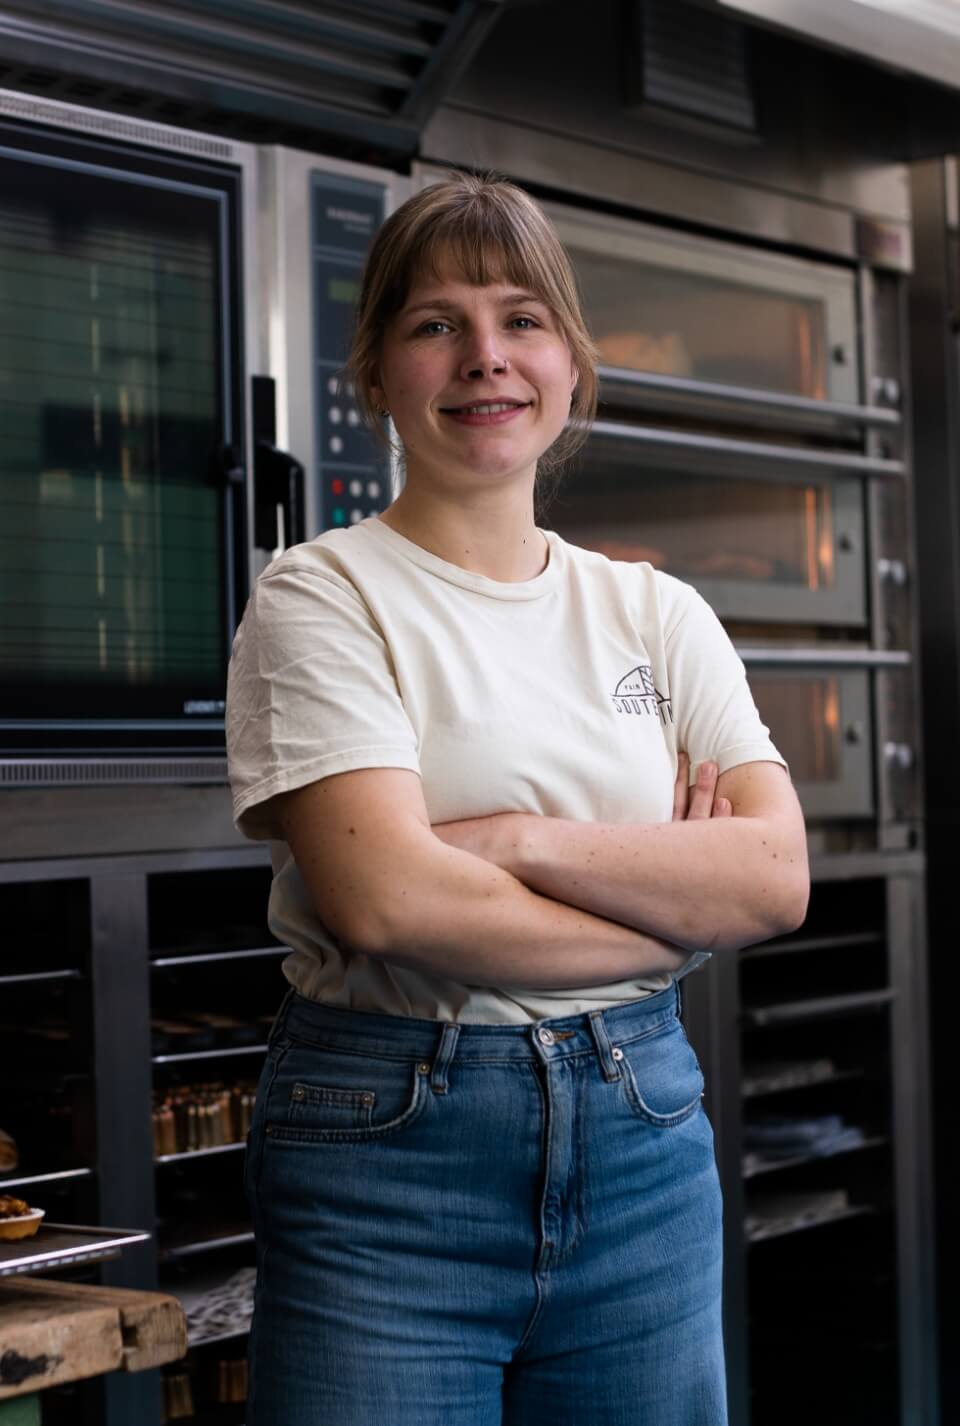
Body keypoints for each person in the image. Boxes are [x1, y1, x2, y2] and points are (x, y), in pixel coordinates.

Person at [226, 171, 809, 1426]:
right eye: (436, 324)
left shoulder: (655, 610)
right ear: (374, 371)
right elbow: (383, 901)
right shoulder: (322, 596)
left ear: (571, 364)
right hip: (390, 1149)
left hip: (643, 1136)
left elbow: (774, 876)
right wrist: (672, 910)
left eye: (521, 318)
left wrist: (517, 841)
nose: (486, 357)